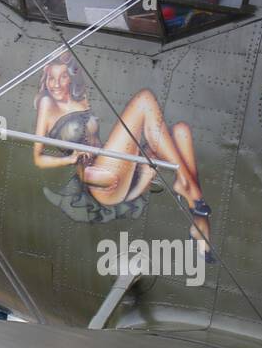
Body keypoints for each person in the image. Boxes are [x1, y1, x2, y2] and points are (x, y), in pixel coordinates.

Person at [32, 52, 211, 256]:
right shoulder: (47, 105)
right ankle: (188, 189)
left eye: (62, 77)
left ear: (71, 78)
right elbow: (38, 157)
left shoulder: (80, 100)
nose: (55, 84)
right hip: (98, 179)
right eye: (51, 78)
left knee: (181, 132)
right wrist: (70, 159)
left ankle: (198, 220)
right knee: (144, 101)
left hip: (121, 172)